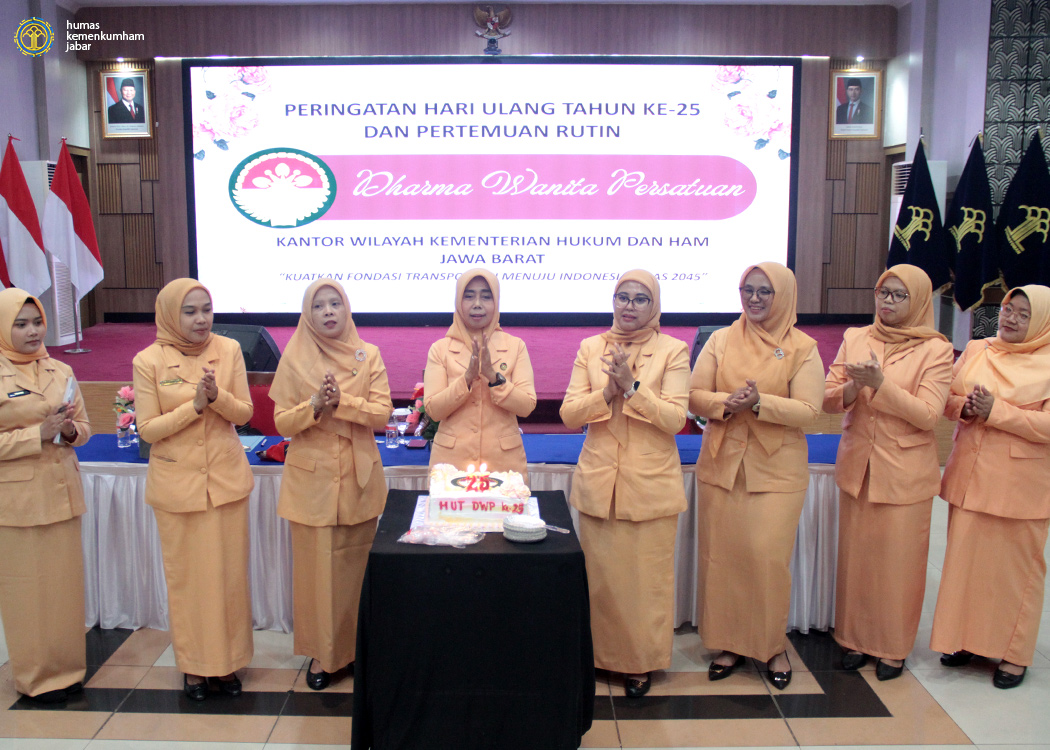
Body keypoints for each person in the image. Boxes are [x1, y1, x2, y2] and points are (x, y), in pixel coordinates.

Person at [689, 262, 823, 690]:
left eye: (765, 291)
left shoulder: (803, 347)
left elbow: (810, 410)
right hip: (722, 464)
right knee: (723, 558)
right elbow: (693, 395)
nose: (754, 298)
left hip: (777, 471)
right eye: (748, 289)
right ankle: (729, 644)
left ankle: (771, 646)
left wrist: (761, 403)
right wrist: (726, 403)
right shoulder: (722, 339)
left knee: (767, 560)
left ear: (782, 296)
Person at [560, 270, 688, 698]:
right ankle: (597, 657)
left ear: (654, 306)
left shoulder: (673, 350)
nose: (629, 306)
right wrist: (606, 395)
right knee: (601, 581)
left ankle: (639, 663)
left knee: (644, 583)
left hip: (649, 484)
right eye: (622, 297)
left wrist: (632, 387)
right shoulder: (590, 347)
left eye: (640, 299)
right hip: (601, 481)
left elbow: (676, 419)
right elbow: (569, 414)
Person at [823, 265, 953, 680]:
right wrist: (852, 388)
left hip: (904, 472)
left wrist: (881, 385)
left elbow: (929, 415)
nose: (888, 302)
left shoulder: (936, 350)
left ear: (918, 300)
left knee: (898, 567)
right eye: (883, 292)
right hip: (858, 467)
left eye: (898, 295)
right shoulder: (856, 336)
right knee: (858, 563)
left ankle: (893, 648)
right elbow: (827, 397)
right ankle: (855, 640)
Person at [133, 278, 254, 701]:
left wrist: (217, 397)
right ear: (170, 314)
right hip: (177, 487)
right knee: (188, 582)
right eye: (190, 312)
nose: (202, 319)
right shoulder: (148, 360)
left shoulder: (229, 349)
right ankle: (194, 668)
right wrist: (195, 406)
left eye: (206, 309)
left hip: (225, 483)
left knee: (228, 580)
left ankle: (228, 663)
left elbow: (245, 412)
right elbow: (148, 429)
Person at [270, 280, 392, 690]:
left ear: (346, 308)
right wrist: (315, 406)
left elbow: (382, 413)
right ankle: (323, 655)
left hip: (358, 476)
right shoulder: (295, 358)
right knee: (317, 575)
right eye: (318, 306)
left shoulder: (367, 354)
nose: (328, 311)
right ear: (308, 314)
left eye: (335, 303)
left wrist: (344, 403)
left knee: (356, 572)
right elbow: (281, 423)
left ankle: (356, 651)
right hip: (313, 480)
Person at [931, 285, 1050, 689]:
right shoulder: (979, 349)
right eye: (1007, 309)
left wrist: (997, 412)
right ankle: (967, 641)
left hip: (1021, 485)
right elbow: (947, 397)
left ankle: (1014, 654)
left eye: (1023, 314)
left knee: (1016, 573)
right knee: (967, 568)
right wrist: (965, 407)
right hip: (970, 476)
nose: (1010, 318)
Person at [0, 289, 91, 703]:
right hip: (19, 501)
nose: (33, 331)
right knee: (28, 592)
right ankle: (36, 678)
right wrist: (34, 434)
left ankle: (68, 670)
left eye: (37, 322)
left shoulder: (61, 369)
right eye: (20, 324)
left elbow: (83, 428)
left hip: (62, 492)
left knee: (63, 589)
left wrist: (69, 430)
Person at [424, 268, 536, 476]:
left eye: (486, 297)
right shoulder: (440, 349)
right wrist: (466, 379)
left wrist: (493, 377)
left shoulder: (516, 346)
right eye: (469, 296)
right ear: (458, 301)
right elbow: (434, 410)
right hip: (451, 463)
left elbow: (526, 406)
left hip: (503, 464)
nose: (477, 304)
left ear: (496, 302)